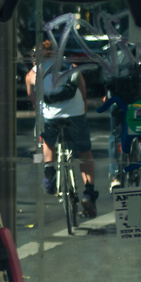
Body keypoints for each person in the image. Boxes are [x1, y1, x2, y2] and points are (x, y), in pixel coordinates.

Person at [27, 36, 97, 218]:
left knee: (48, 141)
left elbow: (33, 99)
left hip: (50, 116)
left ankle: (49, 172)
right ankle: (89, 193)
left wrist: (39, 108)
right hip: (75, 114)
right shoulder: (71, 67)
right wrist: (83, 104)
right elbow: (82, 91)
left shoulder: (33, 72)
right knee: (84, 152)